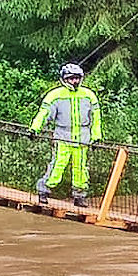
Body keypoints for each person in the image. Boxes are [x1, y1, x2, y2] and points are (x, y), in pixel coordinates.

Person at [30, 63, 102, 207]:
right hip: (63, 137)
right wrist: (34, 128)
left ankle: (79, 197)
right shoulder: (55, 95)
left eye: (77, 78)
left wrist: (96, 137)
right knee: (58, 166)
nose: (75, 81)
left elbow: (96, 118)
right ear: (64, 79)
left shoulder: (88, 95)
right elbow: (44, 114)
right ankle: (44, 191)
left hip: (83, 138)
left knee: (81, 169)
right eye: (71, 78)